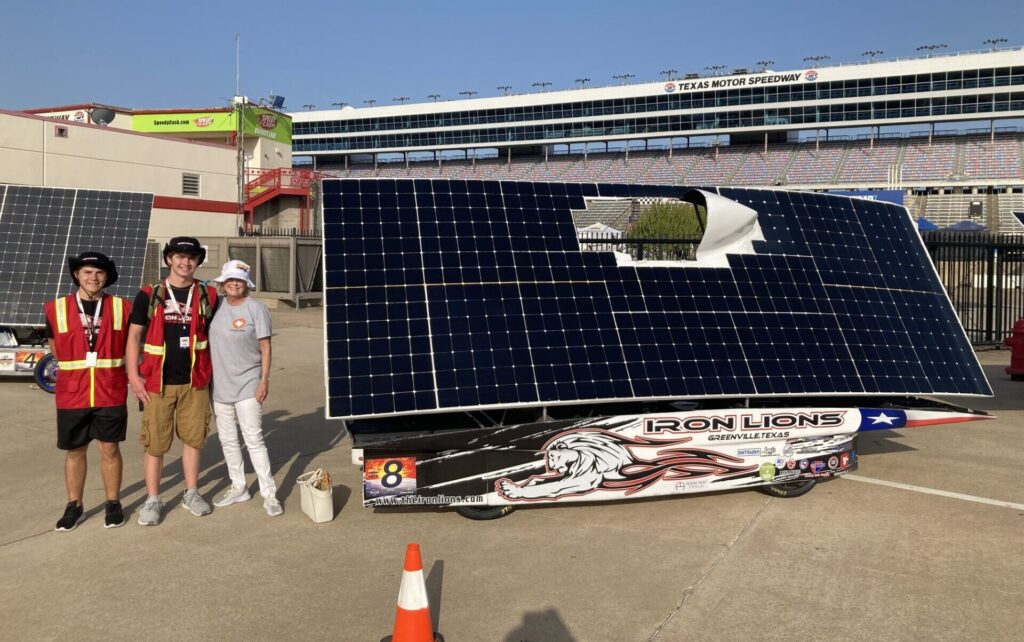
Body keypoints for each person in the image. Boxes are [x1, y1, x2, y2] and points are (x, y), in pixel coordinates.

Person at [126, 237, 217, 526]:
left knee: (193, 440)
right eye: (179, 256)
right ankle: (153, 498)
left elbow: (219, 338)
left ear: (198, 261)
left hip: (195, 381)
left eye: (191, 257)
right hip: (156, 382)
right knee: (155, 443)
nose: (185, 262)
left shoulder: (209, 295)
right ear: (168, 259)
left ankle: (191, 492)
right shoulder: (148, 294)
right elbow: (134, 337)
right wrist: (133, 375)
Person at [44, 252, 131, 530]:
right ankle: (74, 505)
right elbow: (55, 347)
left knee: (110, 449)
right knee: (75, 451)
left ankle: (113, 502)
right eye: (87, 272)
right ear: (76, 275)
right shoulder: (55, 309)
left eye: (99, 273)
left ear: (106, 277)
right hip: (73, 394)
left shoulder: (122, 308)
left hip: (110, 391)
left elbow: (132, 346)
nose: (93, 278)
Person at [208, 260, 282, 516]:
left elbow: (265, 347)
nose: (234, 284)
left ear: (245, 284)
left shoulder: (256, 309)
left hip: (249, 381)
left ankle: (269, 493)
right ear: (222, 283)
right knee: (228, 441)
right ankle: (239, 487)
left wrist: (264, 379)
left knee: (253, 439)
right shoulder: (215, 306)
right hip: (219, 385)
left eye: (238, 280)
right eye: (229, 280)